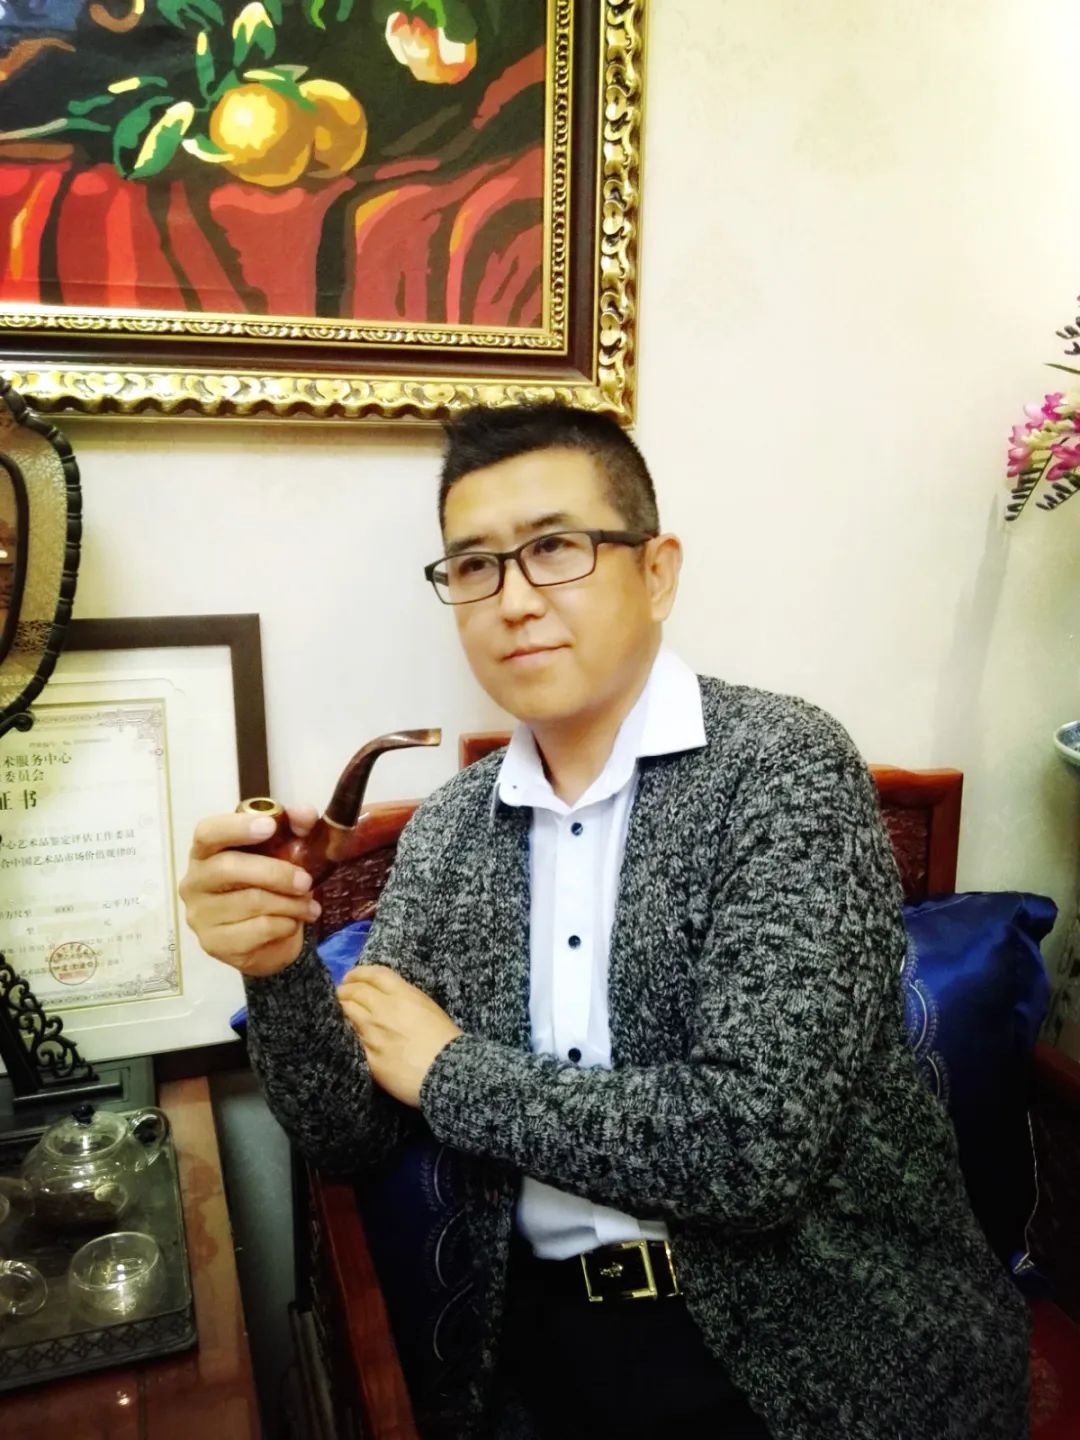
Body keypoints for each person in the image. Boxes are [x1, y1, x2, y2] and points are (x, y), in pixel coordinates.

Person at [179, 403, 1030, 1440]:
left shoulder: (784, 769)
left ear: (657, 572)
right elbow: (347, 1134)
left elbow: (752, 1147)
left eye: (555, 548)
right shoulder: (450, 831)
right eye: (475, 566)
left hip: (827, 1344)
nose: (514, 600)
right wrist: (278, 966)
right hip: (541, 1353)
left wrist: (449, 1070)